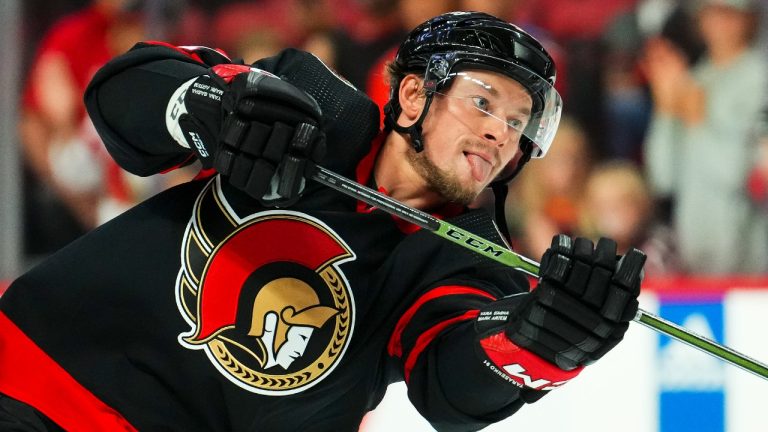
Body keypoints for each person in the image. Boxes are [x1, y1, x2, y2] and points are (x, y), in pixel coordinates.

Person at [0, 11, 646, 431]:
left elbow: (451, 383)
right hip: (41, 383)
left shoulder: (470, 261)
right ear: (416, 95)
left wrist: (536, 344)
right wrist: (210, 106)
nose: (497, 133)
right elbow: (122, 95)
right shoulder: (315, 107)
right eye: (483, 103)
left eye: (515, 122)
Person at [642, 0, 768, 274]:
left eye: (729, 13)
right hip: (693, 239)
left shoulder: (760, 78)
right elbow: (664, 177)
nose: (719, 23)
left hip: (749, 247)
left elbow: (740, 177)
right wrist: (665, 111)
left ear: (749, 19)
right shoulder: (694, 78)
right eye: (711, 13)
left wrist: (698, 119)